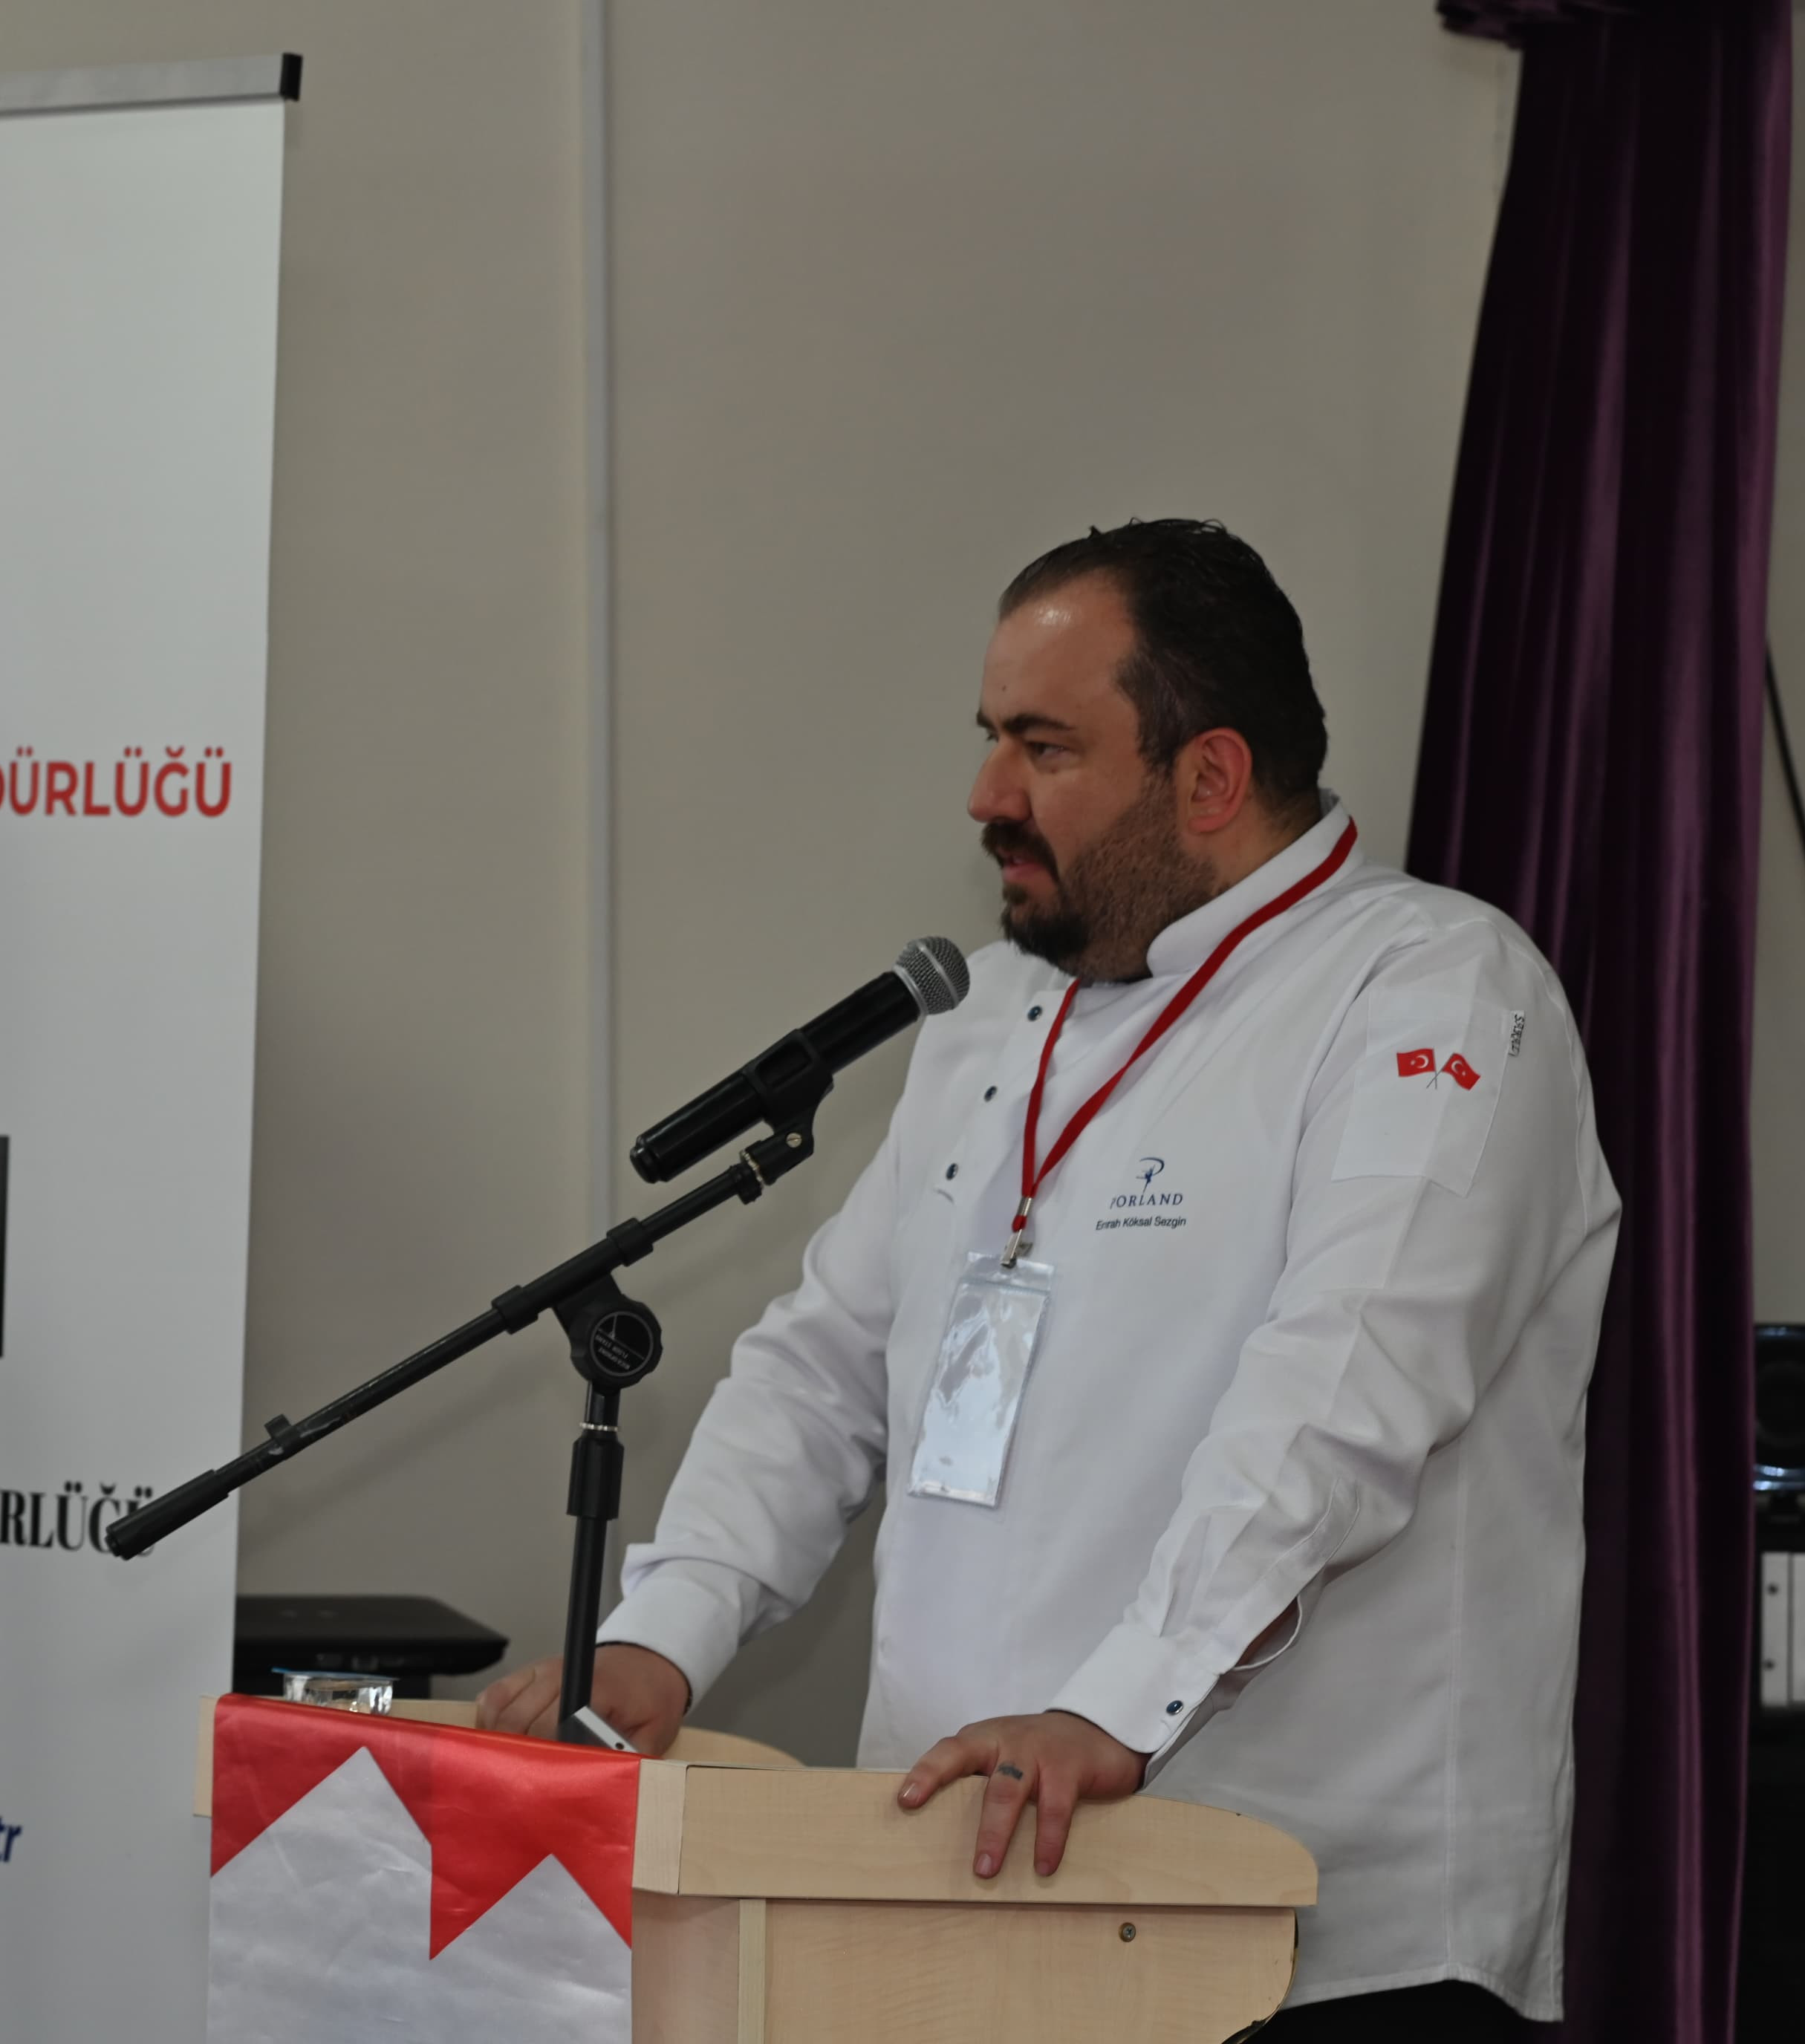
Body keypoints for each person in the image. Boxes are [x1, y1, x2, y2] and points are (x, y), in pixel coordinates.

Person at [481, 518, 1618, 2031]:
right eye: (991, 739)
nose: (987, 796)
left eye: (1043, 747)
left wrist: (1113, 1706)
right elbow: (825, 1368)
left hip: (1325, 1943)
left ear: (1210, 776)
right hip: (957, 1899)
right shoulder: (996, 1012)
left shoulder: (1433, 992)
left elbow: (1340, 1403)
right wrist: (661, 1634)